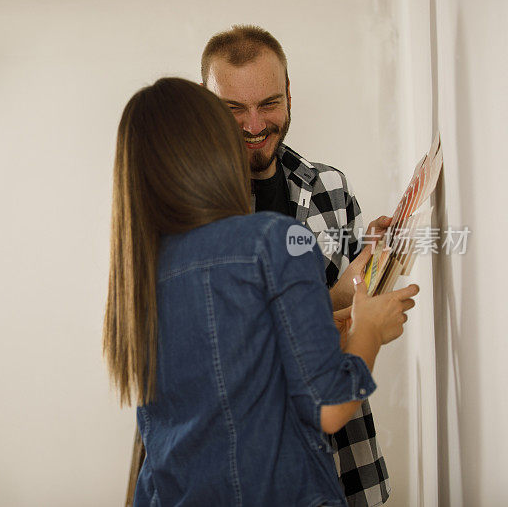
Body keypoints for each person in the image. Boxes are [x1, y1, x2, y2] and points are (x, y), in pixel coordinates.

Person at [104, 77, 418, 506]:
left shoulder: (139, 275)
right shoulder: (274, 239)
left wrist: (338, 310)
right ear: (216, 149)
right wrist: (371, 331)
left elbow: (230, 376)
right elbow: (329, 409)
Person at [201, 25, 391, 505]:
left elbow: (337, 295)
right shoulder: (195, 209)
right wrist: (357, 327)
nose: (253, 125)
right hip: (245, 470)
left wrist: (369, 265)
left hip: (338, 461)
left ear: (289, 96)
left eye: (268, 104)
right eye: (234, 109)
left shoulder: (328, 186)